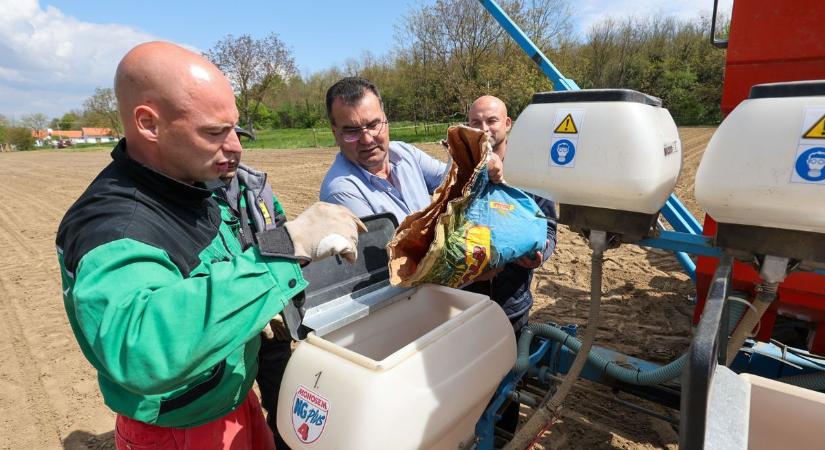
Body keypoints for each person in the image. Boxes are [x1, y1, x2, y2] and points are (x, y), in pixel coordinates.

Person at [56, 41, 364, 450]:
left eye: (234, 128)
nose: (236, 146)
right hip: (180, 430)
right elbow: (143, 346)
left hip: (234, 400)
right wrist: (287, 246)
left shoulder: (194, 183)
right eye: (214, 132)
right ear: (149, 123)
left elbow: (219, 270)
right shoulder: (113, 226)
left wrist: (259, 309)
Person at [465, 95, 557, 433]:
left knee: (507, 384)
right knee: (469, 382)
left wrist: (539, 253)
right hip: (464, 302)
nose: (484, 128)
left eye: (491, 120)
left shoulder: (532, 174)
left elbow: (549, 229)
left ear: (508, 123)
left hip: (511, 303)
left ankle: (504, 438)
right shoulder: (461, 170)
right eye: (475, 122)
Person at [208, 126, 294, 449]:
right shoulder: (191, 200)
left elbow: (281, 230)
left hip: (273, 322)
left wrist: (285, 300)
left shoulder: (256, 187)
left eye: (237, 141)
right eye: (217, 140)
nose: (231, 150)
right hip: (231, 334)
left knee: (284, 401)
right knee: (232, 418)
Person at [319, 76, 503, 225]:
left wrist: (482, 162)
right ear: (335, 133)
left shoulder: (404, 153)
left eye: (374, 124)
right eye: (351, 131)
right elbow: (396, 259)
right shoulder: (341, 192)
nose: (367, 139)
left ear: (385, 119)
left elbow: (451, 179)